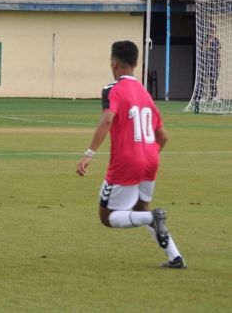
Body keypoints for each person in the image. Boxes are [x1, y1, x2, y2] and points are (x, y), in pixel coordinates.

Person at [76, 41, 186, 269]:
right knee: (140, 208)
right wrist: (147, 155)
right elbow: (163, 137)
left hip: (127, 162)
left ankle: (153, 219)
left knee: (107, 217)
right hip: (151, 160)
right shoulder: (146, 94)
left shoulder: (112, 89)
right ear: (136, 63)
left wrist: (89, 154)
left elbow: (107, 118)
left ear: (114, 63)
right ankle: (175, 257)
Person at [193, 24, 221, 103]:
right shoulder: (204, 39)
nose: (212, 32)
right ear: (208, 31)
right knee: (202, 79)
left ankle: (213, 96)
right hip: (205, 62)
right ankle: (200, 96)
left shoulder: (216, 40)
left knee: (213, 80)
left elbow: (218, 52)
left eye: (214, 31)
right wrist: (209, 40)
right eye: (211, 31)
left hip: (214, 62)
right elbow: (204, 49)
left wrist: (219, 61)